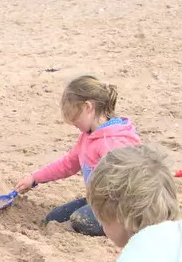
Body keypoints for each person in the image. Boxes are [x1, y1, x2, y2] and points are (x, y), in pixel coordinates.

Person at [12, 75, 140, 238]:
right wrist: (34, 178)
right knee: (53, 218)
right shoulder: (88, 136)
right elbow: (68, 164)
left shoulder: (113, 142)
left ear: (88, 107)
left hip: (122, 208)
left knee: (81, 220)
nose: (73, 124)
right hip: (98, 202)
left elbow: (130, 183)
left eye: (75, 118)